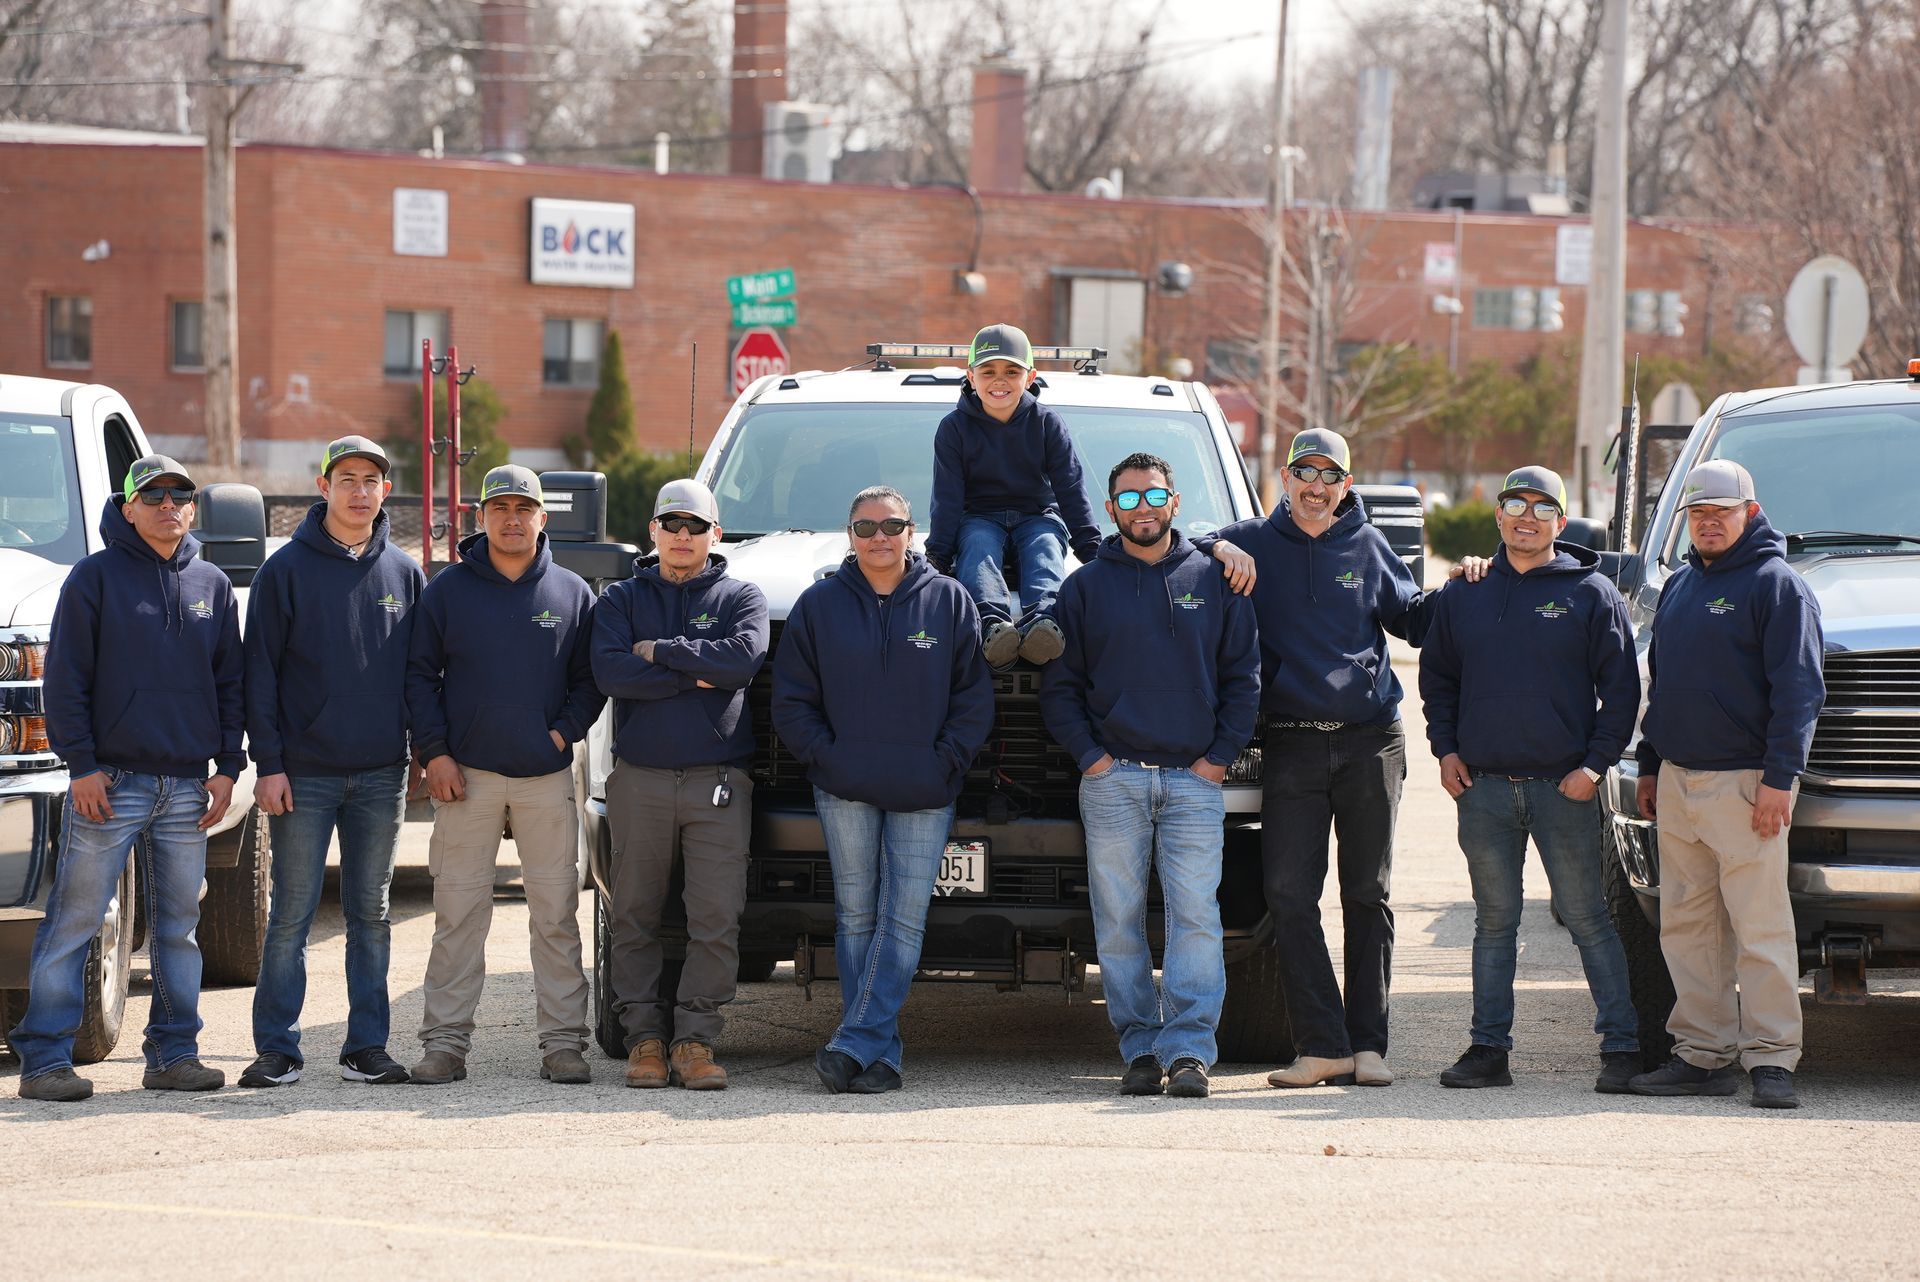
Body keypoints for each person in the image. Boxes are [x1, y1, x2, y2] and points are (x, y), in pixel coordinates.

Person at [1206, 427, 1441, 1090]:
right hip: (1291, 742)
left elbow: (1415, 620)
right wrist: (1219, 544)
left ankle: (1368, 1044)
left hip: (1371, 740)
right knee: (1287, 894)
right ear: (1285, 477)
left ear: (1344, 484)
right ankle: (1322, 1044)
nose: (1314, 488)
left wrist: (1474, 580)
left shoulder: (1366, 546)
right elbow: (1180, 550)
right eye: (1303, 474)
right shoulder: (1250, 542)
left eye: (1328, 477)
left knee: (1368, 893)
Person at [13, 456, 242, 1101]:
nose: (169, 505)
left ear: (192, 508)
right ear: (129, 506)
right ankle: (45, 1061)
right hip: (110, 785)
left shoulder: (213, 586)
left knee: (178, 929)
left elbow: (232, 686)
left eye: (181, 495)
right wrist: (81, 766)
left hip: (187, 789)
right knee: (74, 921)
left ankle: (174, 1054)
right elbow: (64, 683)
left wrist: (227, 769)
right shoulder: (93, 580)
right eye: (155, 495)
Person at [1040, 453, 1260, 1098]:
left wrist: (1217, 758)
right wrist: (1092, 758)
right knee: (1118, 919)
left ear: (1174, 501)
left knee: (1196, 917)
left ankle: (1190, 1050)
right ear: (1110, 509)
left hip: (1195, 783)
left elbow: (1242, 677)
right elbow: (1062, 687)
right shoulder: (1084, 587)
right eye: (1128, 498)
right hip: (1114, 781)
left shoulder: (1217, 577)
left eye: (1153, 496)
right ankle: (1138, 1046)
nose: (1142, 508)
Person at [1418, 465, 1642, 1092]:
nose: (1526, 516)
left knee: (1588, 917)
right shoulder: (1465, 592)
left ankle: (1621, 1051)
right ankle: (1488, 1051)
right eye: (1514, 503)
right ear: (1497, 515)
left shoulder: (1591, 594)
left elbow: (1621, 692)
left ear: (1560, 522)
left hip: (1563, 791)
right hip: (1482, 789)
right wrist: (1446, 750)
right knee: (1495, 922)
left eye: (1542, 508)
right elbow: (1438, 678)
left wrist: (1593, 768)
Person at [772, 486, 994, 1094]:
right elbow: (792, 701)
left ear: (911, 531)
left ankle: (854, 1041)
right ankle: (881, 1055)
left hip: (925, 787)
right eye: (866, 527)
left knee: (904, 920)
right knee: (856, 918)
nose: (879, 537)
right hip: (843, 787)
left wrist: (944, 764)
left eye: (891, 525)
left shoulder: (949, 601)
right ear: (849, 534)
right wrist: (828, 759)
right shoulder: (818, 606)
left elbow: (973, 701)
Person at [1628, 459, 1823, 1110]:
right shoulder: (1681, 587)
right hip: (1681, 783)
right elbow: (1665, 686)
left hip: (1748, 786)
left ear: (1752, 512)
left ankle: (1772, 1059)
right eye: (1700, 513)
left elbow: (1799, 692)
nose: (1710, 523)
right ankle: (1702, 1055)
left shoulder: (1777, 587)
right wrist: (1652, 765)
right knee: (1687, 927)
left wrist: (1779, 779)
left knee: (1760, 926)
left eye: (1723, 511)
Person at [405, 465, 606, 1086]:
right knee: (459, 912)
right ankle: (443, 1044)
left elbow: (589, 681)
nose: (512, 519)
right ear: (482, 518)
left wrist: (561, 732)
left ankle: (564, 1045)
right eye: (500, 509)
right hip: (466, 777)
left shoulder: (573, 594)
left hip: (544, 776)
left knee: (554, 913)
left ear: (543, 518)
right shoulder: (447, 592)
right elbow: (418, 676)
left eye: (524, 509)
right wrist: (434, 752)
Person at [240, 436, 425, 1090]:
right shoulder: (284, 571)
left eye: (371, 480)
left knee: (370, 915)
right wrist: (269, 763)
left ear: (383, 491)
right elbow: (257, 676)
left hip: (381, 773)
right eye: (346, 478)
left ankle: (366, 1047)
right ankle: (277, 1050)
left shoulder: (404, 574)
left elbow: (418, 676)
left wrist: (423, 751)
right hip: (304, 774)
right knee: (291, 912)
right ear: (323, 487)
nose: (359, 491)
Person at [590, 479, 769, 1091]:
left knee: (715, 917)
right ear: (654, 533)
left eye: (696, 525)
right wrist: (696, 674)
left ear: (716, 533)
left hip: (717, 782)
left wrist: (661, 652)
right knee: (634, 914)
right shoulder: (620, 599)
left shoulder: (742, 595)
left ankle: (695, 1041)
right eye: (672, 524)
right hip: (639, 780)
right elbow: (611, 672)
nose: (683, 535)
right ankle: (644, 1038)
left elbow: (741, 662)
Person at [925, 323, 1102, 669]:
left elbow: (1070, 487)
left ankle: (1043, 621)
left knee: (1046, 544)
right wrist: (938, 559)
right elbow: (946, 498)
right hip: (979, 516)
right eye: (988, 371)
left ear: (1030, 376)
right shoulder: (954, 429)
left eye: (1012, 371)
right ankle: (992, 625)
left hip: (1037, 514)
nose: (999, 380)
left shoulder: (1047, 423)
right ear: (971, 376)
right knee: (976, 545)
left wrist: (1092, 552)